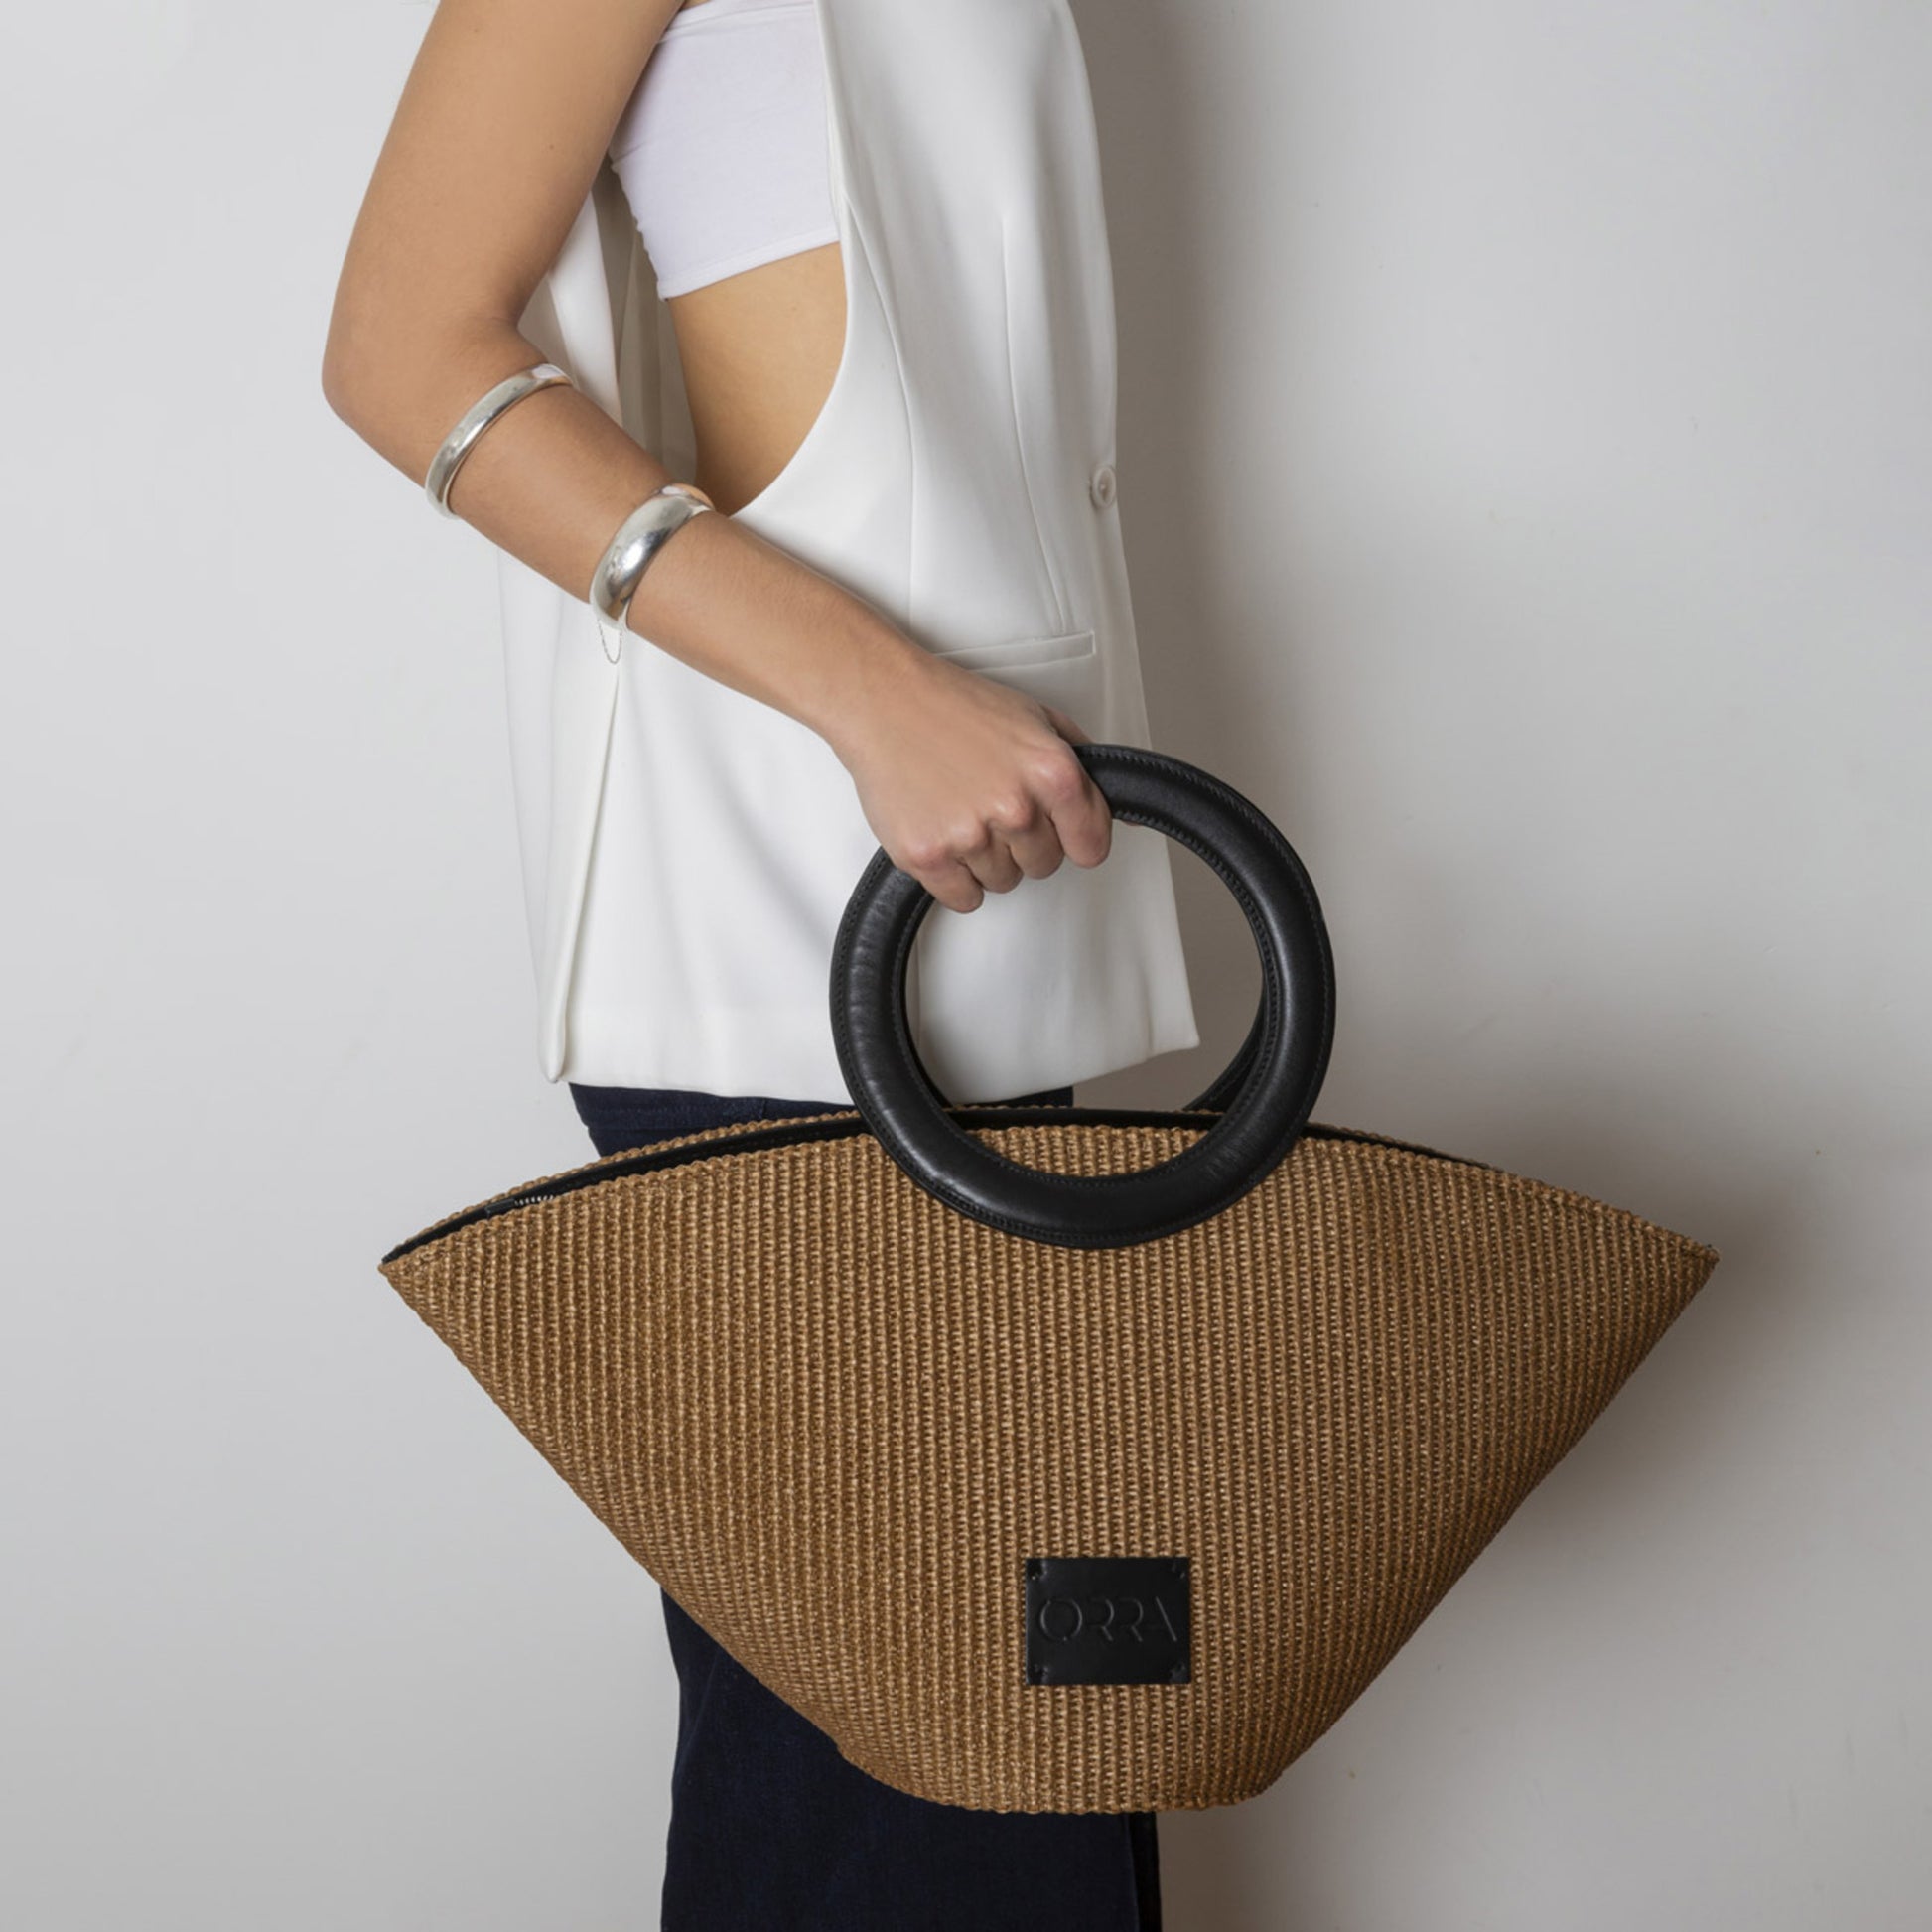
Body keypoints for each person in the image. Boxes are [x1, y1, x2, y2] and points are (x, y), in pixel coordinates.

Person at [324, 1, 1184, 1923]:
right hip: (801, 934)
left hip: (972, 905)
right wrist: (877, 695)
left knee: (1019, 1754)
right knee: (932, 1780)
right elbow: (399, 343)